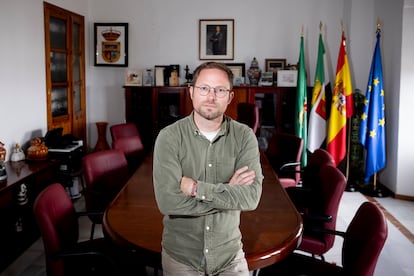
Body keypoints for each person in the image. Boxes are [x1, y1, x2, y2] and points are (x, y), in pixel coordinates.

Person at [153, 62, 263, 276]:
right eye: (204, 88)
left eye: (220, 90)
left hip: (229, 256)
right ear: (192, 92)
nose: (211, 96)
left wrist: (196, 189)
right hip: (181, 258)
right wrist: (228, 193)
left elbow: (250, 198)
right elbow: (168, 202)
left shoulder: (244, 136)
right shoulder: (169, 137)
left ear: (230, 97)